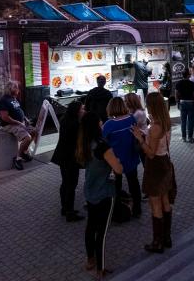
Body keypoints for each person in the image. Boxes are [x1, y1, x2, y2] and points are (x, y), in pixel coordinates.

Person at [76, 111, 123, 278]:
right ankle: (100, 268)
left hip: (90, 190)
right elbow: (118, 169)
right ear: (96, 126)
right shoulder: (103, 146)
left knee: (90, 227)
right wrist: (117, 161)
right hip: (105, 192)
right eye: (100, 122)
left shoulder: (84, 143)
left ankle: (90, 260)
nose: (103, 123)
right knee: (102, 232)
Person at [131, 93, 173, 254]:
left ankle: (158, 242)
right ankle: (166, 237)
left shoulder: (155, 127)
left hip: (155, 166)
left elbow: (150, 153)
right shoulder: (165, 121)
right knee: (165, 200)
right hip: (165, 162)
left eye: (147, 104)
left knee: (155, 203)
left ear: (152, 106)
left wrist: (140, 139)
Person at [102, 98, 142, 219]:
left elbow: (102, 140)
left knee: (116, 186)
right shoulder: (131, 119)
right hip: (131, 157)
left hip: (116, 161)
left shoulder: (109, 124)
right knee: (134, 183)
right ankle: (137, 209)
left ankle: (117, 210)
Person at [51, 100, 86, 222]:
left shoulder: (65, 120)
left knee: (65, 183)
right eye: (82, 109)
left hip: (62, 156)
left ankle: (64, 208)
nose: (84, 110)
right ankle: (70, 213)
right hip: (70, 158)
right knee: (71, 184)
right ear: (76, 111)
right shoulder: (75, 124)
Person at [0, 80, 37, 171]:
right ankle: (18, 158)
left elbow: (19, 111)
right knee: (27, 138)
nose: (18, 89)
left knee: (34, 131)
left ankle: (23, 151)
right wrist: (18, 123)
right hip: (9, 125)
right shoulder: (4, 100)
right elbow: (5, 117)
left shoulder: (13, 98)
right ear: (9, 88)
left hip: (20, 123)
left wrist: (25, 119)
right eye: (15, 87)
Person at [175, 68, 194, 143]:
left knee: (183, 120)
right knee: (191, 121)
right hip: (191, 102)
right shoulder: (192, 83)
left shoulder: (179, 83)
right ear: (188, 75)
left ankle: (183, 137)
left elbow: (176, 93)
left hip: (182, 102)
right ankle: (190, 137)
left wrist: (177, 101)